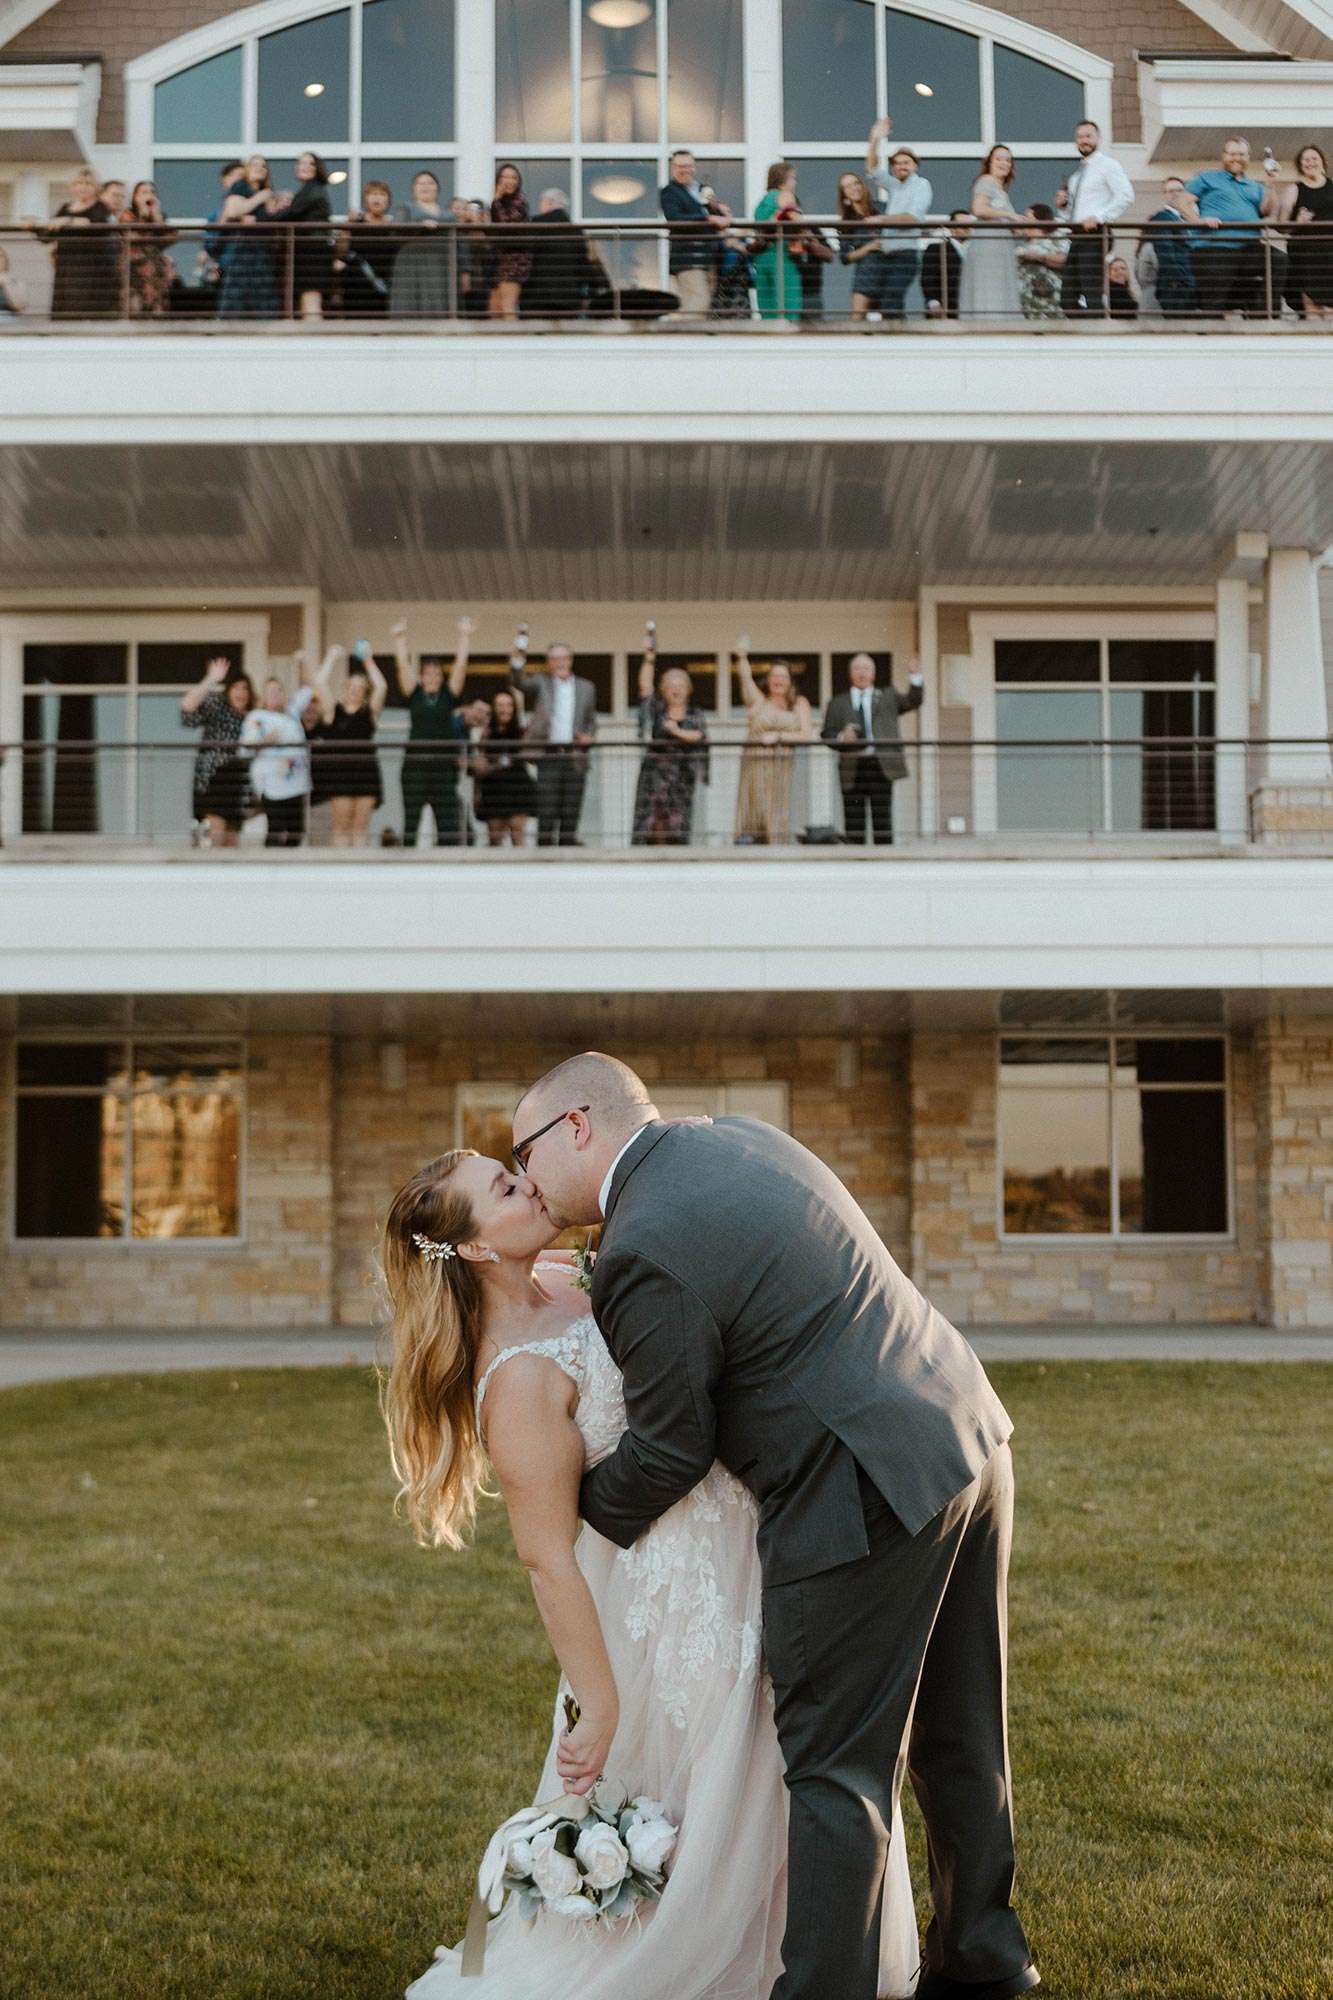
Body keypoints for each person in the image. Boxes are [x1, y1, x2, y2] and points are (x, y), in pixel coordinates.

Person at [507, 1055, 1036, 2000]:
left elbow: (669, 1449)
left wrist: (563, 1501)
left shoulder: (641, 1246)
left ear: (576, 1125)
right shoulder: (740, 1141)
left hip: (860, 1488)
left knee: (833, 1766)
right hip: (962, 1430)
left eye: (524, 1153)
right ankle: (987, 1961)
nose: (526, 1178)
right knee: (961, 1730)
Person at [383, 1119, 922, 2000]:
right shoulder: (516, 1382)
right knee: (719, 1763)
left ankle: (806, 1953)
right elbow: (548, 1562)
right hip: (667, 1592)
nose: (528, 1183)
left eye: (515, 1170)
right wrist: (597, 1702)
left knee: (789, 1746)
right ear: (475, 1247)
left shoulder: (574, 1275)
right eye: (505, 1188)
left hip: (748, 1534)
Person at [507, 630, 599, 847]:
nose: (559, 663)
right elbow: (519, 683)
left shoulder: (586, 687)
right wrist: (517, 661)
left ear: (570, 660)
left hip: (575, 756)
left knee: (571, 811)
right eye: (554, 659)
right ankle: (545, 860)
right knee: (546, 811)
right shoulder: (542, 683)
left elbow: (591, 721)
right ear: (549, 662)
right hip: (548, 756)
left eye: (563, 658)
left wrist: (589, 737)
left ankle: (568, 858)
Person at [821, 652, 924, 845]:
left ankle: (883, 860)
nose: (862, 672)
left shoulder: (888, 696)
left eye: (866, 668)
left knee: (882, 818)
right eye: (857, 668)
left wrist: (915, 676)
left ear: (873, 673)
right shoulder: (837, 702)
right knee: (854, 820)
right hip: (852, 765)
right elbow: (827, 733)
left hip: (881, 764)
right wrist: (841, 737)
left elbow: (913, 701)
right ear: (850, 673)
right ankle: (855, 860)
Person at [393, 615, 475, 847]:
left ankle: (446, 863)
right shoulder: (415, 695)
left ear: (441, 677)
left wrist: (464, 635)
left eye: (437, 674)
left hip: (443, 768)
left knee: (447, 824)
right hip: (415, 768)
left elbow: (460, 666)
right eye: (428, 674)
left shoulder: (448, 696)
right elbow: (402, 666)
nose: (432, 678)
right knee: (411, 822)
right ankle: (407, 861)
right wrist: (399, 638)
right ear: (421, 677)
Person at [734, 637, 813, 844]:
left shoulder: (799, 703)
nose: (778, 680)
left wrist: (778, 737)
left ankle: (777, 846)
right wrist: (742, 657)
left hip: (781, 765)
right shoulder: (759, 701)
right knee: (754, 806)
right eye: (774, 676)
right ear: (768, 680)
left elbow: (805, 734)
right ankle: (749, 844)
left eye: (783, 676)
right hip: (755, 764)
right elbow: (745, 679)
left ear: (790, 681)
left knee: (777, 807)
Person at [631, 635, 708, 846]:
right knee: (654, 815)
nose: (676, 689)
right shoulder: (658, 709)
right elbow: (645, 688)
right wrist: (649, 659)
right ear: (664, 689)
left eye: (680, 685)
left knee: (678, 817)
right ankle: (654, 851)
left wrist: (676, 731)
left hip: (682, 773)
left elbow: (699, 736)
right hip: (655, 772)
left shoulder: (695, 713)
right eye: (671, 686)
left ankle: (676, 852)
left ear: (688, 689)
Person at [1186, 137, 1274, 317]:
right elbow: (1181, 201)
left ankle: (1262, 315)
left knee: (1279, 260)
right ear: (1224, 156)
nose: (1237, 158)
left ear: (1248, 157)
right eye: (1232, 154)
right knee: (1215, 300)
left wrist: (1270, 182)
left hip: (1249, 247)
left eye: (1241, 154)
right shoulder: (1208, 177)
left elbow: (1267, 210)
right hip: (1216, 245)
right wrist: (1197, 220)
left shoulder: (1254, 185)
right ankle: (1211, 328)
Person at [1056, 120, 1134, 317]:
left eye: (1088, 136)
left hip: (1095, 233)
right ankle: (1088, 327)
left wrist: (1099, 217)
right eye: (1080, 137)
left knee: (1091, 290)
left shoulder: (1108, 165)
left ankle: (1097, 329)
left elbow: (1126, 196)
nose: (1084, 140)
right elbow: (1075, 213)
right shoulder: (1076, 176)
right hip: (1077, 236)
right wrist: (1064, 208)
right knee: (1067, 298)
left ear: (1098, 139)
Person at [313, 642, 387, 847]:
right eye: (351, 686)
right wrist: (331, 657)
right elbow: (320, 683)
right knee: (341, 825)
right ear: (345, 689)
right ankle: (340, 866)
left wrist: (368, 659)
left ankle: (360, 866)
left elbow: (382, 686)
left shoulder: (369, 713)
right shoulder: (333, 711)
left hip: (366, 772)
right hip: (340, 772)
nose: (355, 690)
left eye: (360, 687)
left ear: (365, 692)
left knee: (361, 826)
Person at [180, 656, 255, 847]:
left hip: (240, 780)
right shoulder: (219, 706)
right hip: (214, 777)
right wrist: (211, 679)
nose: (241, 693)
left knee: (232, 839)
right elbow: (187, 707)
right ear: (228, 690)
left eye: (245, 688)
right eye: (236, 688)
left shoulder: (253, 717)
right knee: (216, 833)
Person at [239, 661, 315, 847]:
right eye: (270, 691)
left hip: (297, 783)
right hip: (272, 784)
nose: (275, 694)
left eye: (279, 690)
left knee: (297, 831)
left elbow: (308, 689)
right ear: (263, 696)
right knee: (275, 829)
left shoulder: (292, 713)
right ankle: (272, 863)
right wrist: (266, 740)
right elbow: (245, 747)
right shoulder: (257, 717)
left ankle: (291, 863)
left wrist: (301, 664)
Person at [866, 123, 933, 320]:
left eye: (906, 162)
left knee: (891, 300)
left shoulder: (921, 185)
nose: (901, 166)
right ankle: (898, 335)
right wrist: (875, 138)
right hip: (886, 254)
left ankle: (895, 335)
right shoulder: (895, 186)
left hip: (905, 254)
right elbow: (872, 168)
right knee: (886, 303)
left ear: (915, 165)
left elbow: (912, 219)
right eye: (896, 163)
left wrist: (881, 219)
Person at [659, 150, 729, 319]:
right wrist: (707, 218)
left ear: (694, 168)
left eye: (688, 166)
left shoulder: (704, 190)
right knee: (698, 302)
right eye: (680, 166)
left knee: (702, 304)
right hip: (687, 258)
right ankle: (684, 335)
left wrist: (720, 210)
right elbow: (675, 218)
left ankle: (688, 333)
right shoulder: (669, 192)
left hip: (709, 257)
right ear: (672, 168)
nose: (684, 170)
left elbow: (718, 218)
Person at [43, 168, 119, 319]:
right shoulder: (65, 208)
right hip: (67, 268)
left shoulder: (100, 207)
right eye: (78, 183)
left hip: (91, 269)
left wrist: (68, 221)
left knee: (86, 311)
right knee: (65, 313)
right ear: (72, 187)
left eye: (88, 184)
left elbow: (94, 224)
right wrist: (33, 227)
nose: (83, 187)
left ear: (95, 188)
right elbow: (47, 235)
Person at [958, 145, 1022, 320]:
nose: (1004, 163)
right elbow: (979, 209)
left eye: (1008, 160)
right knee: (989, 287)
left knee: (999, 287)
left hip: (1001, 247)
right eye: (999, 159)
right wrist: (1009, 215)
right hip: (988, 247)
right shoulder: (986, 181)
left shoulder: (1002, 190)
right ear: (990, 162)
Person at [217, 155, 282, 317]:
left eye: (263, 166)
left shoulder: (267, 192)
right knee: (237, 302)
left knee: (264, 306)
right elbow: (232, 210)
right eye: (254, 164)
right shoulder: (240, 186)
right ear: (246, 169)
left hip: (263, 254)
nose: (259, 168)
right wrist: (260, 198)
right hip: (243, 254)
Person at [472, 686, 536, 846]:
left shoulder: (521, 732)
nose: (505, 709)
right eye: (500, 705)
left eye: (509, 705)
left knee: (517, 833)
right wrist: (476, 794)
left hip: (518, 789)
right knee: (494, 837)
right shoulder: (486, 734)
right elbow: (480, 765)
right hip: (494, 790)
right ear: (494, 708)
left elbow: (531, 757)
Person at [522, 190, 599, 318]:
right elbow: (583, 265)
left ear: (548, 203)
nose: (540, 206)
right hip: (568, 299)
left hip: (537, 297)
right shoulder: (576, 231)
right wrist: (588, 294)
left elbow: (526, 257)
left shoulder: (536, 224)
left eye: (541, 202)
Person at [1279, 144, 1333, 320]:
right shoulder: (1293, 190)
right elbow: (1281, 226)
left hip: (1330, 254)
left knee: (1330, 309)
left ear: (1322, 162)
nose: (1310, 162)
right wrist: (1297, 222)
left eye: (1314, 158)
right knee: (1311, 306)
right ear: (1300, 165)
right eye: (1306, 160)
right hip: (1305, 254)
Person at [390, 170, 454, 317]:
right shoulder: (405, 207)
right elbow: (396, 229)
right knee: (410, 299)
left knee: (439, 299)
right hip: (412, 261)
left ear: (437, 188)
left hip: (441, 263)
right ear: (414, 189)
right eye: (421, 183)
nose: (426, 186)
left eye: (430, 183)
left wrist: (465, 270)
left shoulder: (449, 214)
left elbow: (460, 242)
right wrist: (419, 225)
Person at [1137, 177, 1198, 317]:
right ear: (1164, 195)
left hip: (1188, 284)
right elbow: (1164, 252)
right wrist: (1178, 281)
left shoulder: (1185, 218)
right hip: (1176, 287)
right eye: (1170, 191)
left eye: (1179, 190)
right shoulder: (1162, 217)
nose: (1175, 194)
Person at [336, 180, 399, 316]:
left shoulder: (394, 227)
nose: (377, 198)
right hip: (357, 287)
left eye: (382, 194)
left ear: (388, 200)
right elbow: (341, 251)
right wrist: (347, 225)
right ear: (365, 199)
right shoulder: (355, 223)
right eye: (373, 194)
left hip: (385, 287)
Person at [284, 151, 334, 319]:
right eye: (301, 163)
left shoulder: (313, 189)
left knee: (311, 299)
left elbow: (290, 214)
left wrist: (262, 220)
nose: (305, 166)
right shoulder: (309, 189)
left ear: (317, 168)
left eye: (310, 163)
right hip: (310, 250)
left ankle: (315, 333)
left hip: (313, 251)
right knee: (306, 301)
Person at [752, 162, 804, 320]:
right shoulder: (785, 195)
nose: (795, 183)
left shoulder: (762, 202)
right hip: (781, 255)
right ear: (783, 179)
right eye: (793, 178)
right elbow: (797, 220)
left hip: (762, 258)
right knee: (787, 304)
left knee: (767, 308)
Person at [121, 181, 176, 317]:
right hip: (134, 269)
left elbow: (169, 239)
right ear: (135, 197)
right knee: (135, 306)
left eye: (152, 192)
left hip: (155, 270)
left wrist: (157, 217)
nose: (149, 195)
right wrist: (143, 216)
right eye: (144, 192)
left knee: (157, 308)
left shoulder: (159, 217)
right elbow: (132, 237)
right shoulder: (127, 214)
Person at [837, 171, 887, 320]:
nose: (854, 188)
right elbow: (845, 257)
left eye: (856, 183)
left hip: (890, 269)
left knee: (893, 317)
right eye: (847, 187)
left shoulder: (883, 207)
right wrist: (868, 247)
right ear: (844, 195)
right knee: (857, 318)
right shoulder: (847, 221)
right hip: (866, 273)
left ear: (862, 185)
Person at [489, 162, 531, 319]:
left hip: (515, 259)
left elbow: (506, 223)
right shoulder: (500, 203)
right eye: (505, 177)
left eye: (513, 178)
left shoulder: (520, 201)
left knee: (508, 305)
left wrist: (496, 200)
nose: (509, 181)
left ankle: (513, 334)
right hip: (500, 259)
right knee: (496, 307)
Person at [1016, 205, 1066, 320]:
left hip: (1049, 306)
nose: (1023, 221)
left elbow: (1064, 260)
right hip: (1026, 308)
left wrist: (1039, 257)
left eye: (1026, 217)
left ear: (1038, 221)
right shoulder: (1023, 246)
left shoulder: (1054, 240)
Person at [921, 212, 972, 319]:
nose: (967, 228)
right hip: (946, 309)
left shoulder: (976, 251)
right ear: (951, 228)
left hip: (972, 310)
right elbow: (928, 278)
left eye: (970, 225)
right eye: (963, 225)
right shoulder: (936, 248)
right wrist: (933, 303)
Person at [0, 246, 28, 318]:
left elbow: (19, 307)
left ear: (6, 260)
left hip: (10, 321)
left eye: (1, 256)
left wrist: (6, 283)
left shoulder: (15, 282)